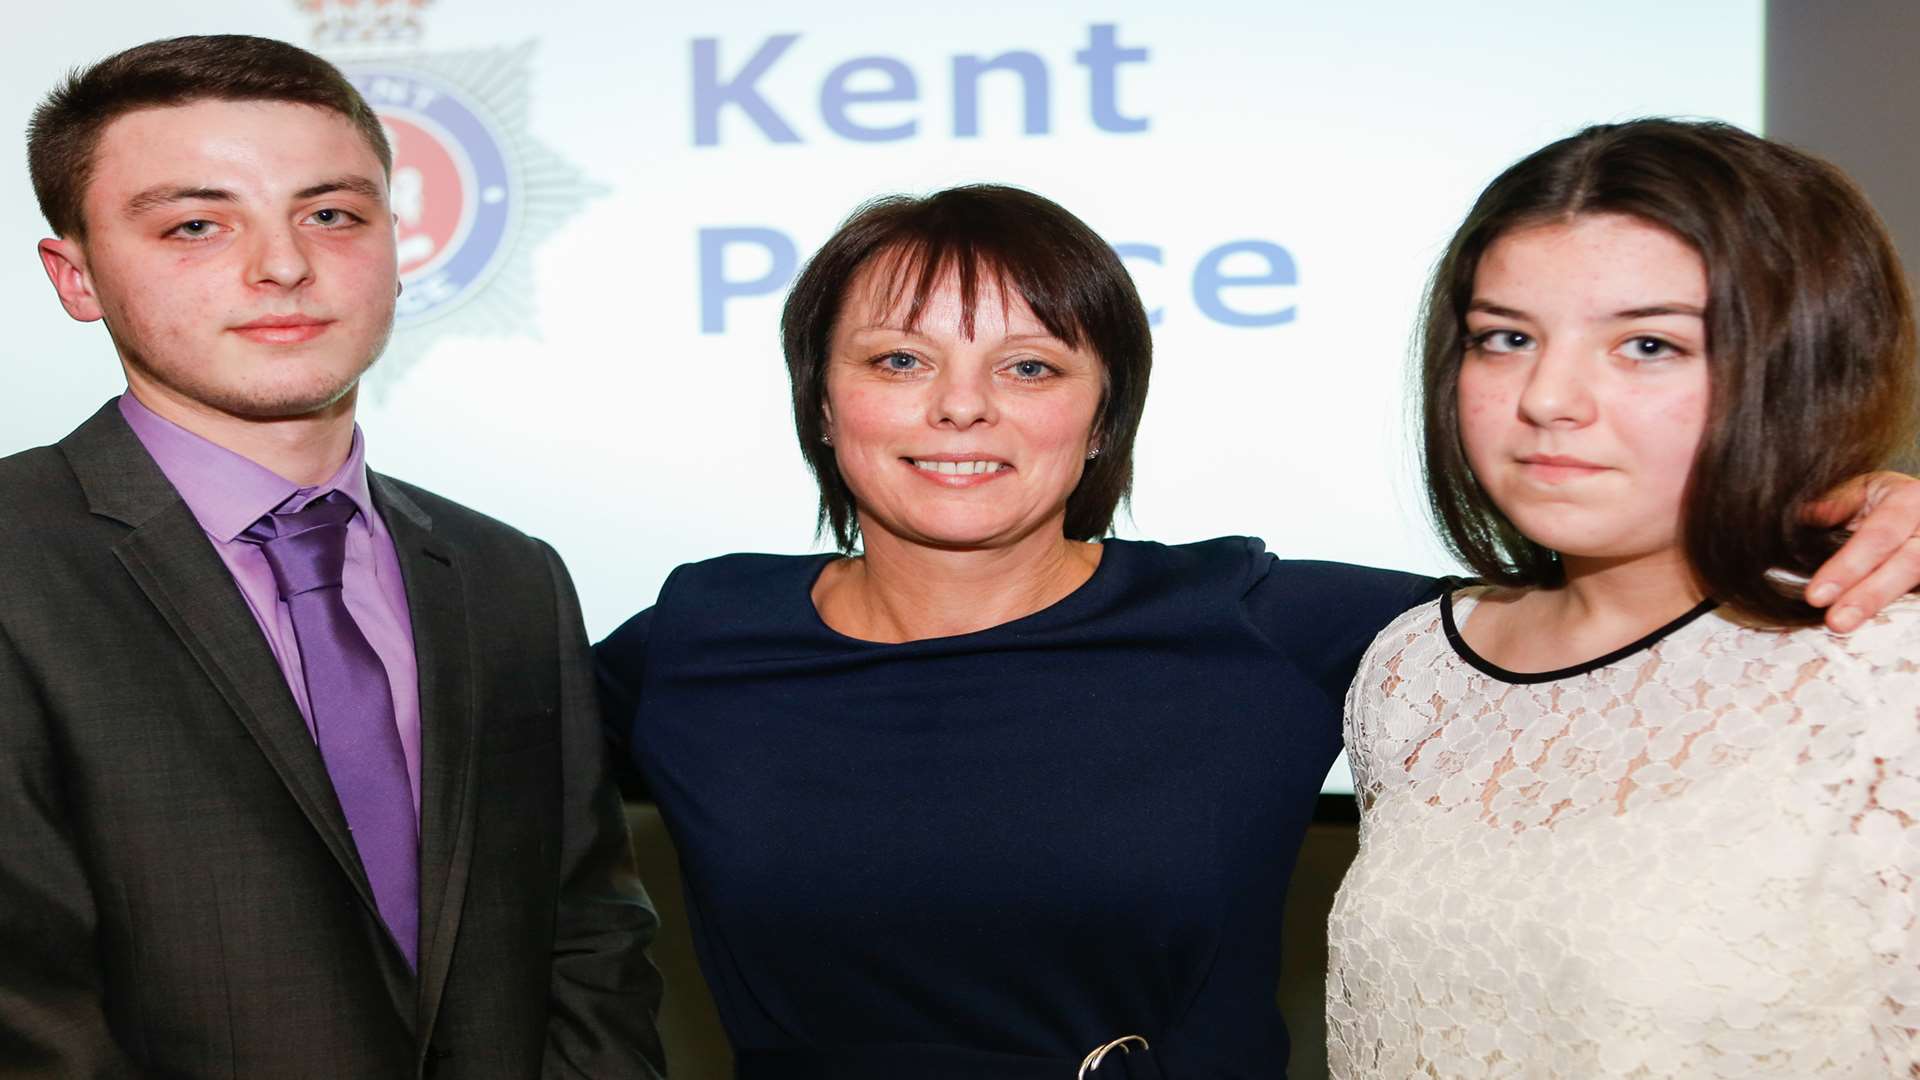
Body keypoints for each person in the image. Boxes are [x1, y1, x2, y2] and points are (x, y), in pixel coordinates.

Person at [597, 182, 1920, 1078]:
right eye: (898, 361)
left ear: (1104, 415)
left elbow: (1624, 610)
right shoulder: (703, 633)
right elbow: (430, 755)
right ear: (822, 402)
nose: (962, 409)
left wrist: (1852, 510)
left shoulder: (1266, 623)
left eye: (1031, 366)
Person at [0, 35, 664, 1078]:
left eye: (331, 214)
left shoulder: (508, 578)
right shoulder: (17, 562)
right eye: (196, 224)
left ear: (395, 247)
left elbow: (587, 937)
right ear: (75, 276)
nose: (283, 264)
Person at [1328, 118, 1920, 1077]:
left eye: (1647, 344)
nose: (1549, 397)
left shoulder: (1883, 671)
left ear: (1801, 363)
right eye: (1506, 337)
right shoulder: (1413, 670)